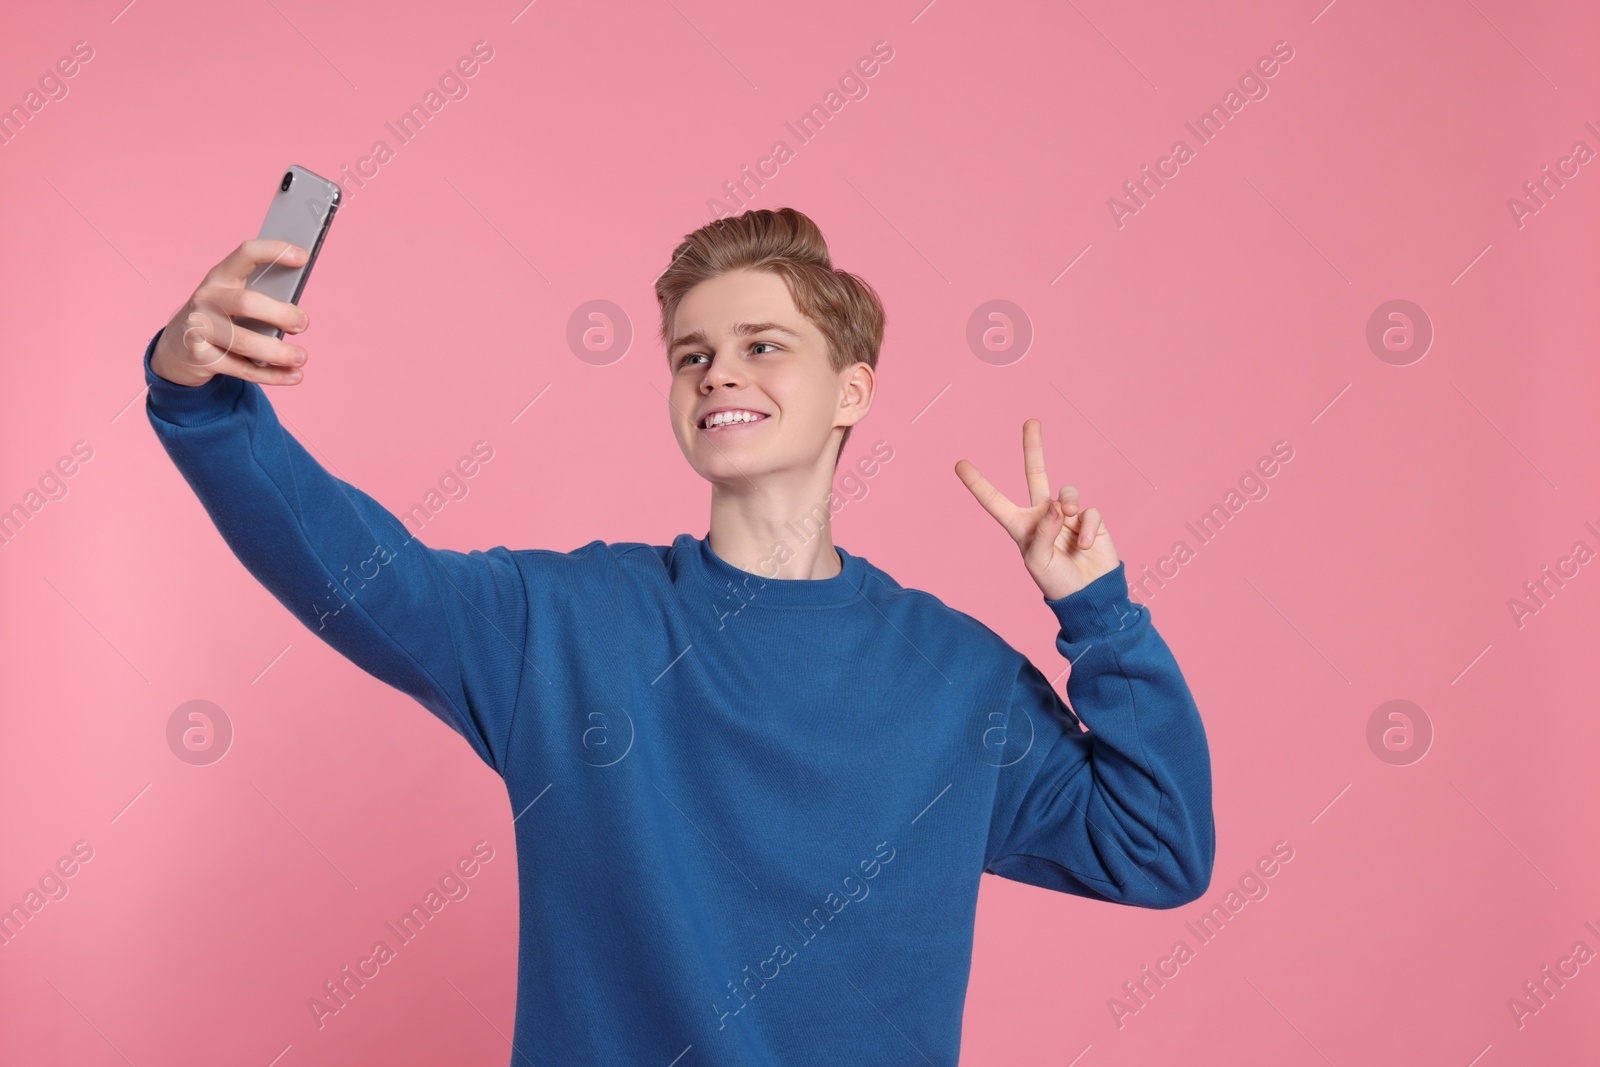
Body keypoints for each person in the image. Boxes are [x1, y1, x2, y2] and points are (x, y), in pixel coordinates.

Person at [143, 206, 1213, 1064]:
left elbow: (1158, 845)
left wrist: (1099, 613)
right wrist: (196, 395)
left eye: (762, 345)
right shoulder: (560, 625)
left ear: (853, 391)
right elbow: (353, 570)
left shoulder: (958, 678)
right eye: (690, 353)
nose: (717, 373)